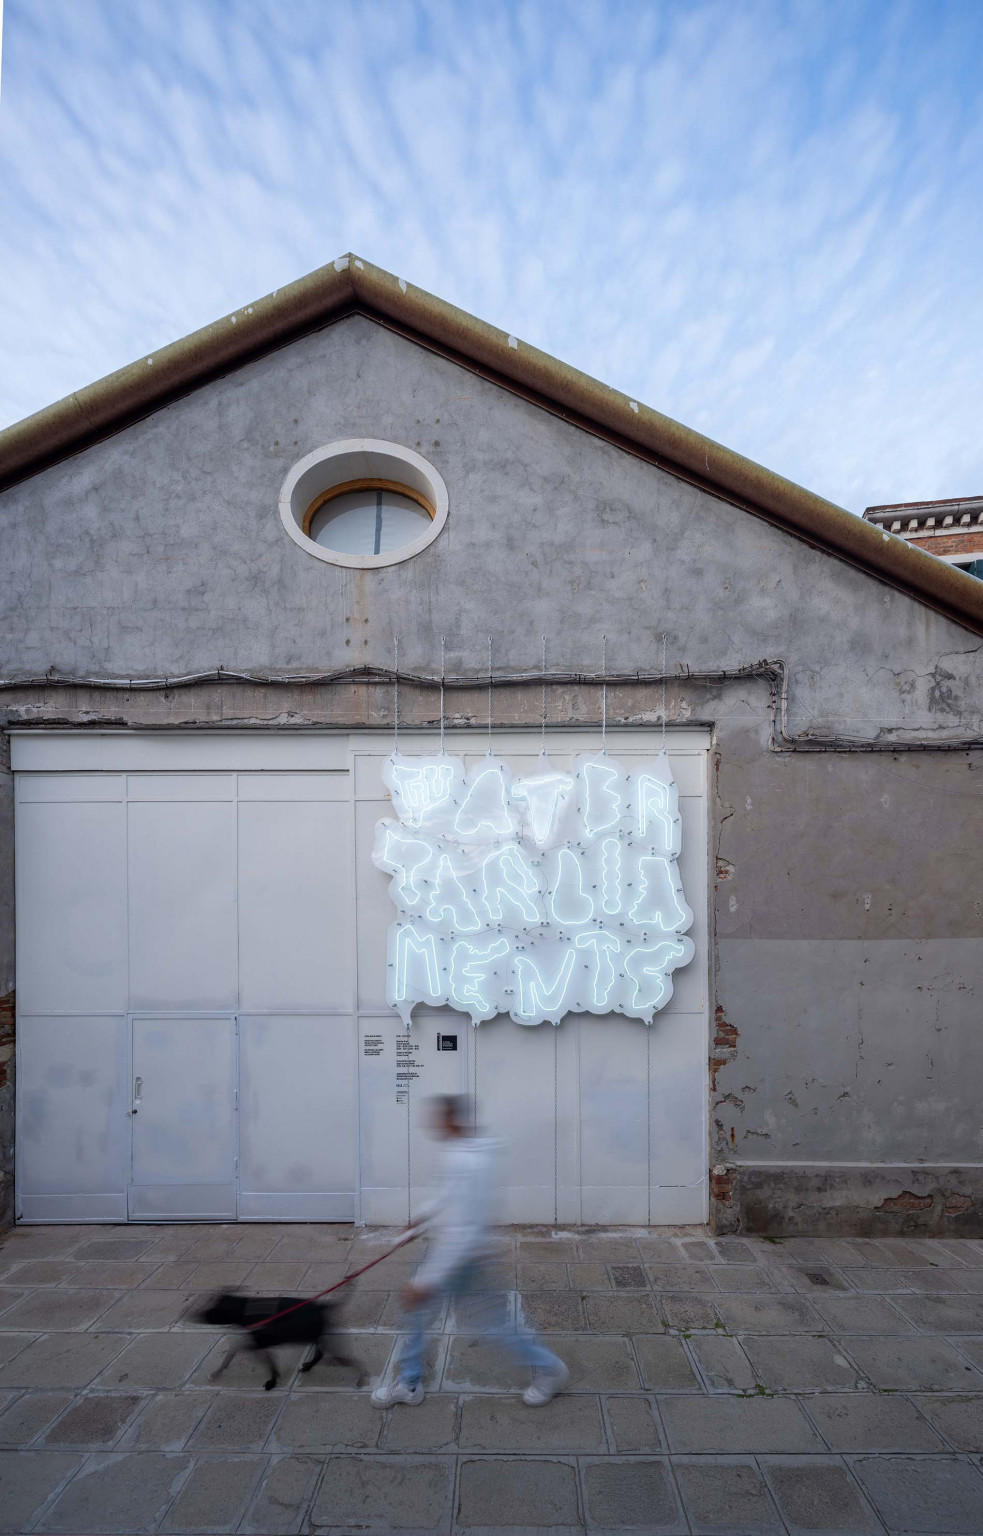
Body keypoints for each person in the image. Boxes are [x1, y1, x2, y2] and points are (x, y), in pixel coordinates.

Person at [371, 1093, 569, 1408]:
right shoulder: (462, 1149)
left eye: (438, 1118)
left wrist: (426, 1281)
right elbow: (448, 1195)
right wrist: (421, 1217)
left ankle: (550, 1369)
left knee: (492, 1327)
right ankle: (409, 1382)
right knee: (417, 1315)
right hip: (450, 1250)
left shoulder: (467, 1160)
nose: (431, 1124)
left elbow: (465, 1228)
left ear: (453, 1119)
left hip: (461, 1258)